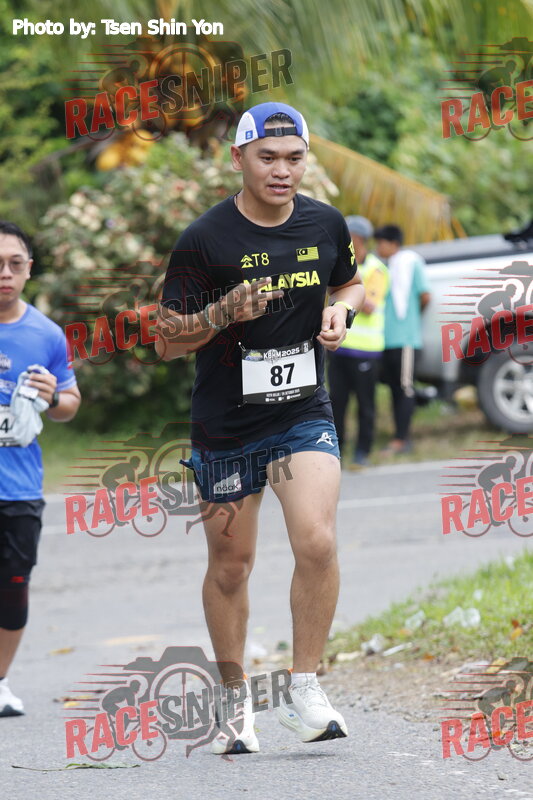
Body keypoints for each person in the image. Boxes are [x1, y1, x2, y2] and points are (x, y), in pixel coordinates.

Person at [156, 102, 365, 753]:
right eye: (267, 157)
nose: (281, 170)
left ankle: (304, 688)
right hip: (225, 426)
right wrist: (221, 312)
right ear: (238, 158)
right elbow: (166, 341)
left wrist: (341, 313)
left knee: (317, 541)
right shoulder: (203, 239)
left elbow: (350, 285)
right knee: (230, 566)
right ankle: (233, 698)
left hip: (302, 411)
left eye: (294, 158)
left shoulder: (324, 223)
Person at [0, 221, 81, 716]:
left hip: (19, 488)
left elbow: (70, 401)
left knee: (12, 590)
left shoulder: (46, 334)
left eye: (15, 264)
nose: (5, 274)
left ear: (29, 270)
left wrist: (54, 398)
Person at [328, 216, 389, 466]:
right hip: (339, 347)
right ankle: (338, 450)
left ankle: (363, 450)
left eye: (349, 237)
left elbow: (371, 305)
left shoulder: (376, 269)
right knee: (336, 404)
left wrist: (346, 293)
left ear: (359, 239)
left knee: (365, 405)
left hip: (366, 351)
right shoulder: (338, 264)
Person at [375, 224, 430, 455]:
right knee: (395, 388)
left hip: (405, 339)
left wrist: (410, 320)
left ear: (393, 243)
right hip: (385, 340)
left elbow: (425, 296)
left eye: (381, 243)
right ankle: (399, 434)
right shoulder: (383, 268)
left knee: (404, 388)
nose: (378, 247)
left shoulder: (410, 263)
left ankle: (402, 439)